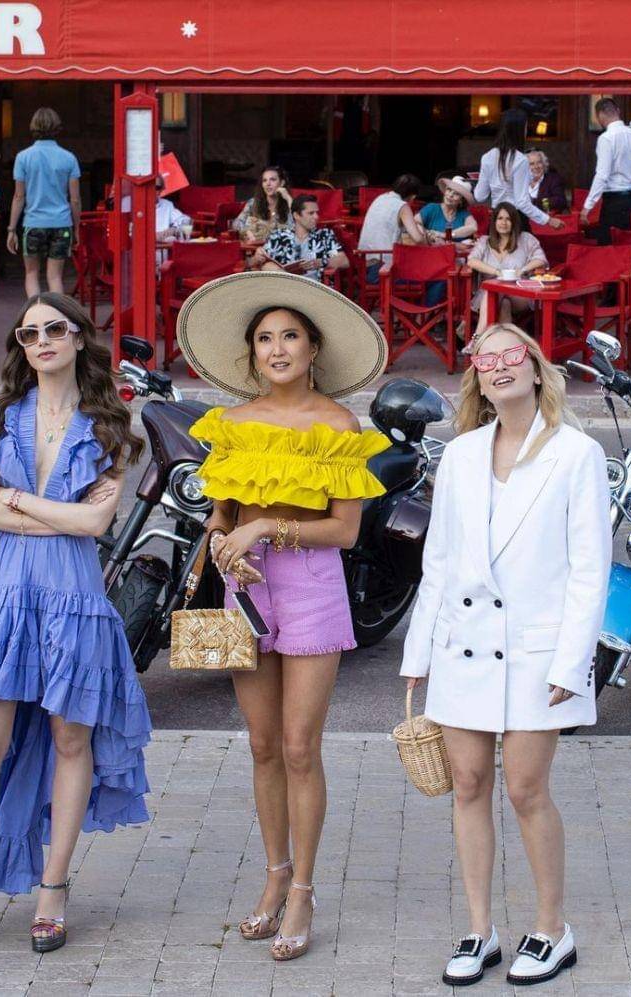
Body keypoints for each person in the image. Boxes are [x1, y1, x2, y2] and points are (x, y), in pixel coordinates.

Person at [0, 292, 151, 956]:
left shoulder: (111, 424)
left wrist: (16, 500)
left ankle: (54, 887)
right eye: (29, 333)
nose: (42, 340)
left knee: (72, 741)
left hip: (74, 595)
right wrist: (53, 513)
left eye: (55, 328)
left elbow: (96, 522)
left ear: (79, 338)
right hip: (2, 592)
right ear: (21, 347)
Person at [177, 270, 389, 962]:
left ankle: (303, 889)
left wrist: (267, 526)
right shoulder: (231, 425)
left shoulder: (338, 426)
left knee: (301, 746)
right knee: (263, 745)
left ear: (312, 347)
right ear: (252, 353)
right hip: (245, 585)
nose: (276, 348)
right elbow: (219, 515)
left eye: (289, 336)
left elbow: (346, 532)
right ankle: (273, 874)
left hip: (311, 584)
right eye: (265, 338)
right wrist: (224, 542)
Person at [400, 322, 611, 989]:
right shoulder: (461, 454)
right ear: (477, 380)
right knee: (467, 784)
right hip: (461, 645)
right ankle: (479, 928)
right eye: (484, 358)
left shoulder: (577, 453)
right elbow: (438, 562)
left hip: (537, 652)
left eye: (511, 353)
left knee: (524, 788)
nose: (498, 365)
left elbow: (590, 569)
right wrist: (417, 651)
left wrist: (571, 662)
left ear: (537, 368)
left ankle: (552, 928)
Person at [7, 108, 82, 298]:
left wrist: (11, 229)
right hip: (61, 223)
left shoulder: (23, 157)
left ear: (33, 126)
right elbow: (74, 199)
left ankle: (35, 313)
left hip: (33, 223)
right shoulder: (69, 158)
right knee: (55, 277)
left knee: (31, 274)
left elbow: (19, 197)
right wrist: (77, 227)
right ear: (57, 127)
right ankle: (57, 314)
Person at [474, 110, 564, 232]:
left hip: (497, 219)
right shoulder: (520, 160)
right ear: (519, 130)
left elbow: (479, 196)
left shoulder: (487, 157)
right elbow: (522, 202)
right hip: (515, 219)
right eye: (525, 127)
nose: (526, 131)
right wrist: (548, 220)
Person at [467, 202, 549, 332]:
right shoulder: (485, 241)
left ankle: (477, 337)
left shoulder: (526, 239)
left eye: (508, 219)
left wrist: (522, 270)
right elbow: (472, 261)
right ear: (494, 222)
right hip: (488, 295)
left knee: (497, 289)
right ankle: (506, 343)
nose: (503, 223)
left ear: (514, 222)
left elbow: (540, 259)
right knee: (503, 303)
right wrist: (497, 272)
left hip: (520, 293)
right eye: (500, 218)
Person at [581, 98, 631, 245]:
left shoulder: (606, 138)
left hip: (615, 202)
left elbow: (602, 175)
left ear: (599, 115)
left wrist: (587, 207)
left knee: (611, 247)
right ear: (618, 111)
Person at [256, 195, 349, 283]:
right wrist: (258, 256)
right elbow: (257, 262)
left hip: (314, 286)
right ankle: (290, 282)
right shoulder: (279, 236)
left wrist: (321, 262)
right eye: (311, 213)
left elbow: (343, 260)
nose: (316, 217)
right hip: (283, 286)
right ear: (296, 215)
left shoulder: (324, 235)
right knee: (268, 266)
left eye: (317, 213)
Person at [357, 174, 426, 281]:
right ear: (413, 196)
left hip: (364, 266)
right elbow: (418, 239)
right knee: (431, 277)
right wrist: (426, 234)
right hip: (383, 270)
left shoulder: (380, 198)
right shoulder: (402, 206)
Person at [233, 165, 293, 243]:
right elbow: (236, 223)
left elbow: (296, 228)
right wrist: (246, 231)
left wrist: (288, 198)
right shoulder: (253, 203)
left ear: (282, 183)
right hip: (253, 246)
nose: (268, 184)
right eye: (264, 180)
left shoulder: (289, 204)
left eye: (272, 180)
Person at [416, 176, 478, 243]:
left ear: (461, 200)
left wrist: (446, 235)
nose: (450, 195)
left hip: (454, 249)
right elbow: (415, 223)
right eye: (449, 190)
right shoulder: (432, 208)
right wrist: (428, 234)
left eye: (456, 194)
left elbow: (473, 227)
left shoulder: (463, 213)